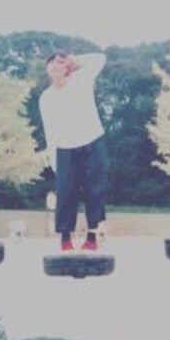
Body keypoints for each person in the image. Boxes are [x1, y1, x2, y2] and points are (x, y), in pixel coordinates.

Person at [39, 51, 108, 252]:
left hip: (92, 141)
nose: (55, 67)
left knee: (94, 191)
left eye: (59, 63)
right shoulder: (46, 97)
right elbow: (49, 130)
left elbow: (100, 59)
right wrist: (54, 160)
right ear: (47, 70)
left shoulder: (81, 79)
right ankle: (65, 238)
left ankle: (92, 237)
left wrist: (74, 60)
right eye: (51, 64)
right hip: (64, 148)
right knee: (66, 192)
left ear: (66, 67)